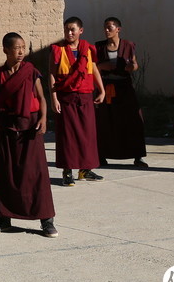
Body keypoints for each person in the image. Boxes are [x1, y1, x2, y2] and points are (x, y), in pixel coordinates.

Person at [0, 32, 57, 237]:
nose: (21, 52)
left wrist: (44, 118)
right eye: (17, 48)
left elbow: (41, 97)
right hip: (7, 127)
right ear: (6, 50)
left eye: (23, 48)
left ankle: (47, 220)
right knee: (5, 174)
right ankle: (3, 219)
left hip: (30, 128)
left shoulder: (30, 71)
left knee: (36, 175)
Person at [49, 16, 106, 186]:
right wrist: (53, 98)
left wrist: (101, 89)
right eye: (66, 29)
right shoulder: (57, 49)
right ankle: (67, 171)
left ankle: (85, 169)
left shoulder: (87, 48)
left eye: (72, 29)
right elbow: (52, 74)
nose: (69, 32)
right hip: (66, 97)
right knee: (67, 135)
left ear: (81, 31)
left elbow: (93, 69)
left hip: (85, 96)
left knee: (87, 134)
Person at [94, 17, 147, 167]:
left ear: (118, 29)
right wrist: (105, 66)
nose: (106, 30)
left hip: (125, 87)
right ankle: (102, 155)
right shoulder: (99, 47)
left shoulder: (127, 45)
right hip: (107, 88)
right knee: (105, 121)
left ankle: (138, 156)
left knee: (133, 120)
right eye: (105, 27)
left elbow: (135, 64)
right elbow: (94, 67)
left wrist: (132, 67)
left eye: (109, 27)